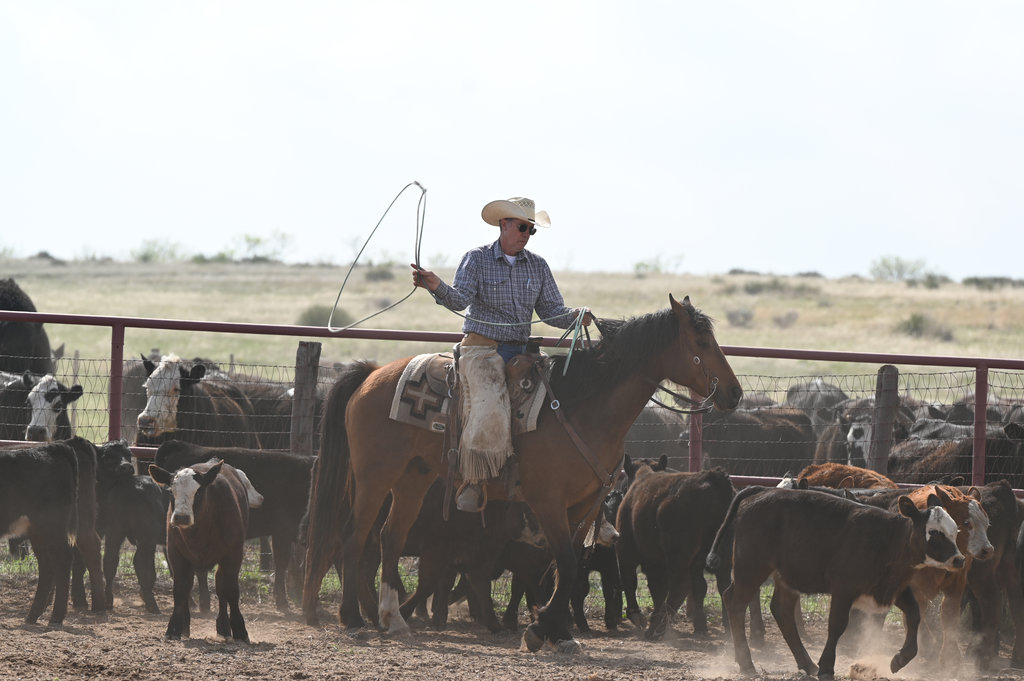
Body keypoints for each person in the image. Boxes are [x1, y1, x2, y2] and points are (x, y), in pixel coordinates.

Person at [411, 196, 592, 512]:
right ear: (504, 224)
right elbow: (459, 299)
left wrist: (577, 316)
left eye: (531, 230)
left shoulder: (537, 266)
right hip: (482, 350)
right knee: (490, 405)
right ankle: (474, 479)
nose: (526, 234)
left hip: (522, 354)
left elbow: (550, 310)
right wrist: (435, 285)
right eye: (522, 227)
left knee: (562, 399)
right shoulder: (477, 259)